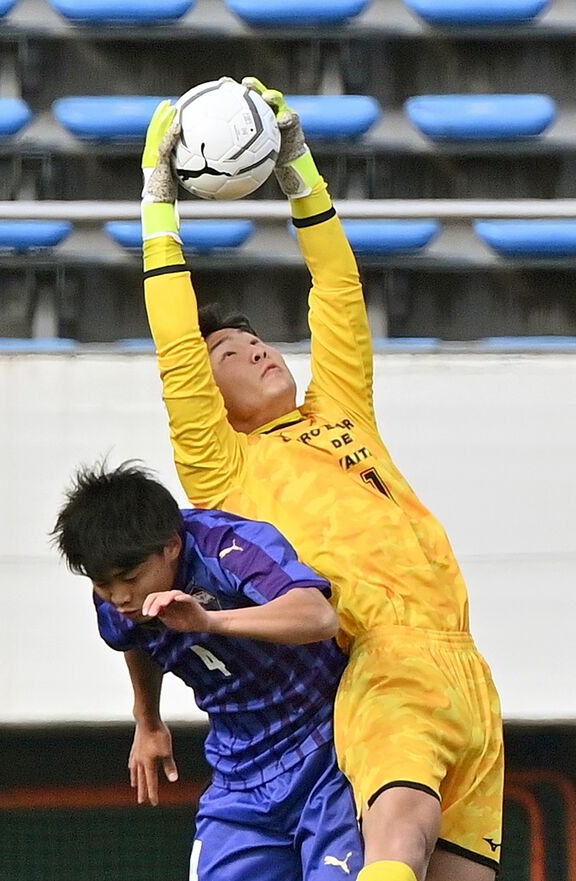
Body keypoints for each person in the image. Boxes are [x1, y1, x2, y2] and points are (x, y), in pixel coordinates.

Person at [139, 79, 504, 881]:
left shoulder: (339, 407)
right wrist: (159, 203)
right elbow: (175, 342)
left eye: (256, 340)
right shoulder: (222, 464)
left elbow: (337, 289)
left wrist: (299, 168)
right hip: (381, 658)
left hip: (469, 670)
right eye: (228, 356)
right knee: (398, 836)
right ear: (212, 397)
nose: (257, 351)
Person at [52, 461, 363, 881]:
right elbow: (134, 641)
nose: (120, 597)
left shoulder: (228, 547)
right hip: (240, 777)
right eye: (102, 585)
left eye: (129, 577)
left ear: (171, 545)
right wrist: (147, 720)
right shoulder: (114, 600)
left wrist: (210, 622)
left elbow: (318, 617)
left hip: (332, 754)